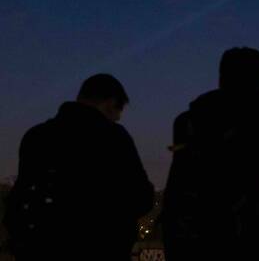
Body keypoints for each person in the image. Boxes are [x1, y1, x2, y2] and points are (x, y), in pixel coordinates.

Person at [161, 47, 259, 261]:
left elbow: (178, 193)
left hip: (196, 244)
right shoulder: (258, 130)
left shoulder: (187, 123)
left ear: (221, 79)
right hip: (246, 243)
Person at [3, 74, 155, 261]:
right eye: (118, 112)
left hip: (37, 248)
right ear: (110, 103)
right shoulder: (112, 137)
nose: (118, 118)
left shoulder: (36, 136)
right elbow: (140, 196)